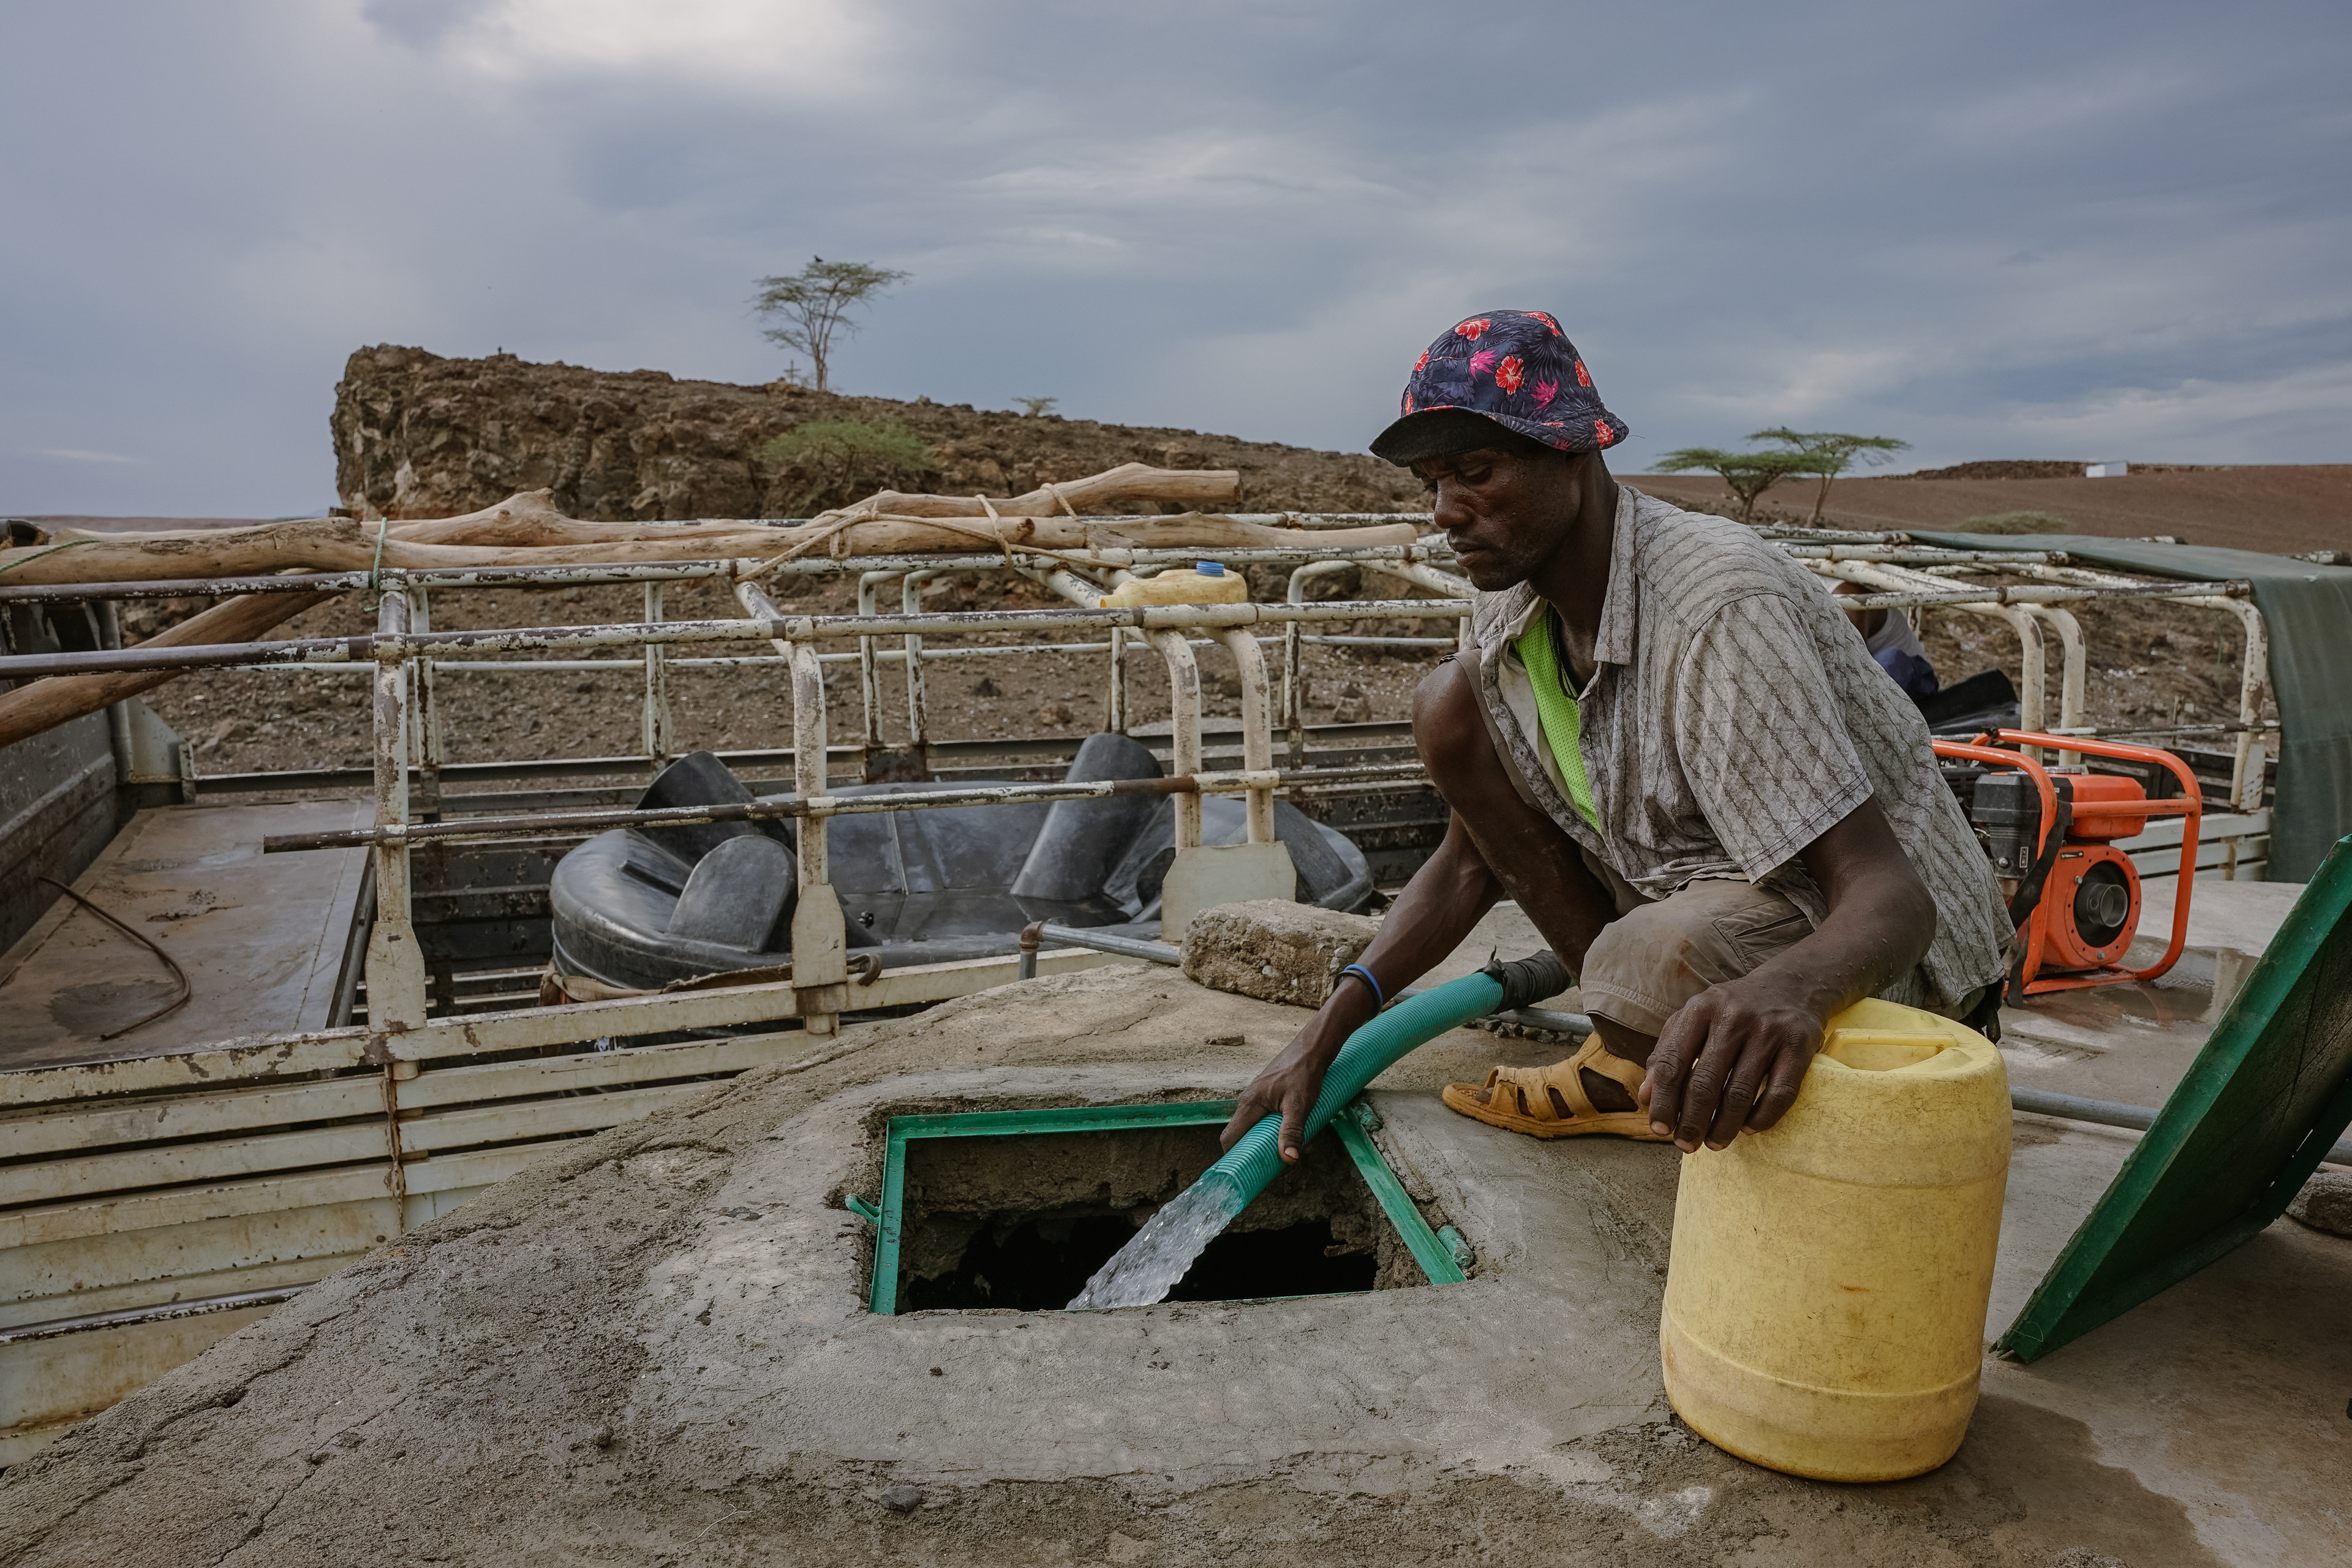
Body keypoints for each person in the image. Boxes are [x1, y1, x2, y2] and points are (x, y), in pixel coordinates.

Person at [1221, 311, 2010, 1161]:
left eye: (1476, 473)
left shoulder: (1715, 605)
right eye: (1432, 485)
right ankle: (1638, 1053)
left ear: (1573, 450)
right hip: (1716, 908)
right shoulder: (1514, 601)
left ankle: (1670, 1050)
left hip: (1888, 970)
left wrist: (1790, 992)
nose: (1447, 512)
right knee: (1449, 707)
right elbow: (1469, 861)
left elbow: (1893, 898)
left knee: (1643, 962)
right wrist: (1323, 1037)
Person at [1831, 579, 1940, 701]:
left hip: (1915, 678)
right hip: (1876, 675)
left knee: (1888, 661)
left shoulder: (1849, 599)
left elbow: (1851, 666)